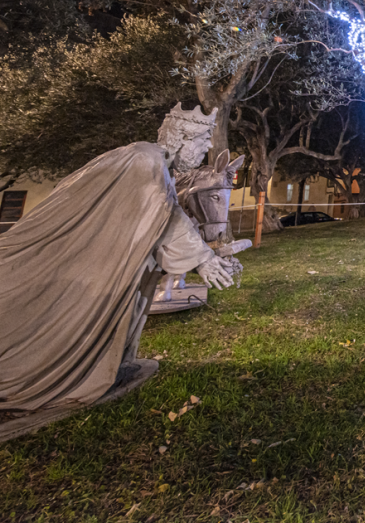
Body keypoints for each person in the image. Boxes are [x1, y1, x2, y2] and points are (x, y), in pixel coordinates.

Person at [0, 104, 238, 412]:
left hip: (106, 261)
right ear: (180, 136)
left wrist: (208, 256)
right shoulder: (144, 160)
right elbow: (166, 215)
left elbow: (163, 214)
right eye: (202, 139)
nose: (207, 147)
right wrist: (203, 258)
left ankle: (102, 368)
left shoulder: (156, 166)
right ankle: (50, 373)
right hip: (79, 257)